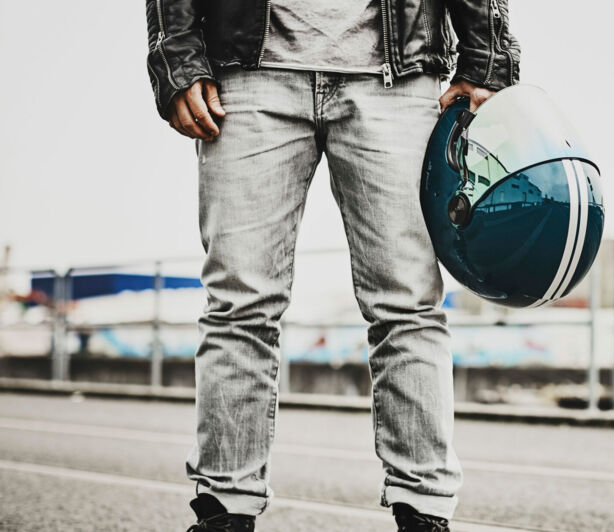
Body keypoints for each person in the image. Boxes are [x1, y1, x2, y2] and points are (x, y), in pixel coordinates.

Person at [143, 1, 519, 530]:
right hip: (248, 73)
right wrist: (176, 58)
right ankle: (224, 510)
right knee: (239, 303)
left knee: (407, 303)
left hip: (399, 74)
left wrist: (488, 62)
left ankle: (425, 512)